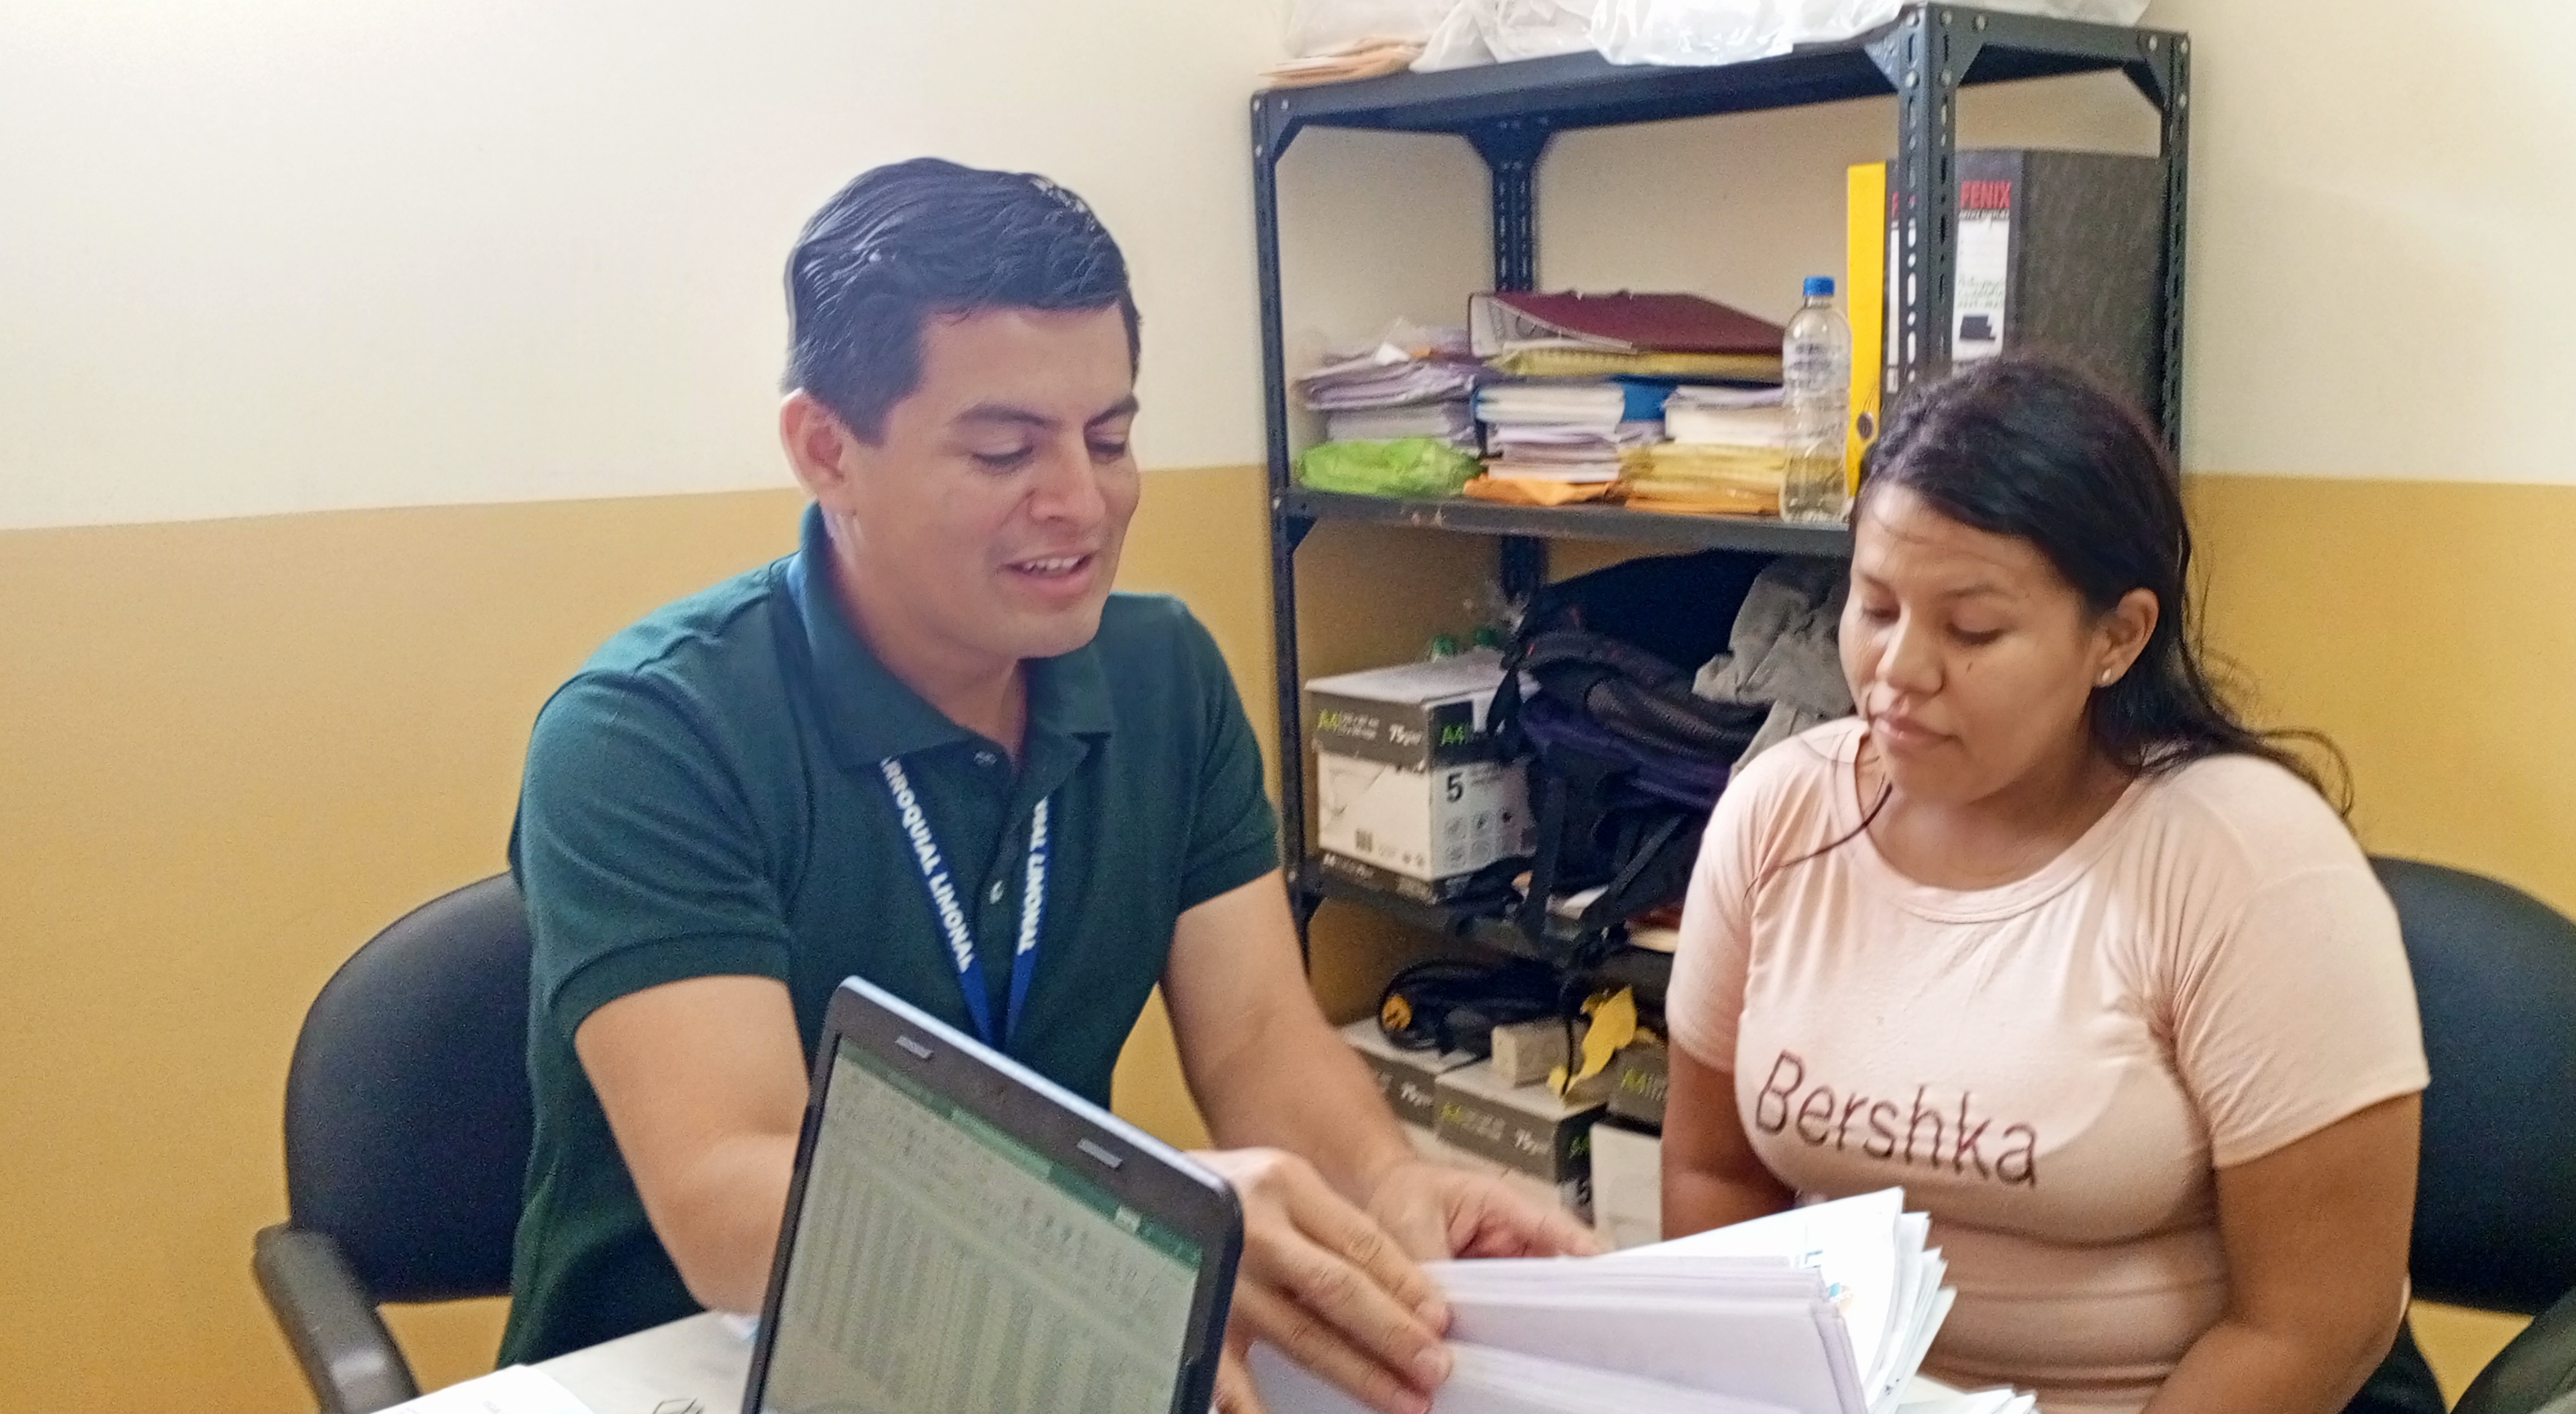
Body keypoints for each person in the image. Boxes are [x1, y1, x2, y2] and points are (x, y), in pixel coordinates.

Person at [499, 158, 1595, 1414]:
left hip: (1036, 1342)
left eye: (1111, 438)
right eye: (1004, 450)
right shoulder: (647, 732)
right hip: (692, 1367)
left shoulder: (1161, 674)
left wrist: (1386, 1191)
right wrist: (1143, 1237)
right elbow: (730, 1194)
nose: (1081, 502)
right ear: (826, 450)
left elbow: (1257, 1036)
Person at [1662, 359, 2441, 1414]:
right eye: (1875, 606)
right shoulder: (1779, 813)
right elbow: (1717, 1174)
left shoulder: (2245, 861)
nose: (1899, 670)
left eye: (1972, 631)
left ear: (2117, 636)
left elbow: (2314, 1325)